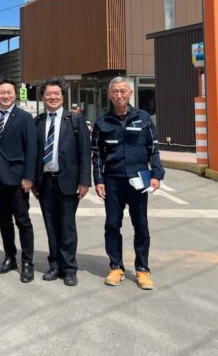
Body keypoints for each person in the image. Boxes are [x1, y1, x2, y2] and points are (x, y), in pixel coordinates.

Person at [92, 76, 164, 290]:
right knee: (112, 224)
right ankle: (116, 267)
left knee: (141, 225)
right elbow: (97, 154)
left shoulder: (143, 118)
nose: (119, 95)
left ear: (130, 93)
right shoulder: (102, 122)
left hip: (139, 179)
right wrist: (98, 180)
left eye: (123, 91)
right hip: (113, 181)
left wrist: (156, 174)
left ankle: (142, 269)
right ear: (109, 94)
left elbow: (154, 148)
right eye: (115, 91)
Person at [34, 78, 91, 287]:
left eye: (56, 94)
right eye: (48, 94)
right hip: (45, 182)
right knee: (51, 226)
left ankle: (69, 269)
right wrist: (34, 182)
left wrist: (84, 181)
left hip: (68, 181)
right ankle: (54, 265)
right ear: (42, 97)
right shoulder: (38, 121)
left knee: (67, 226)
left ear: (63, 97)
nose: (53, 97)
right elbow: (34, 153)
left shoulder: (75, 120)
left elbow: (85, 152)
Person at [0, 78, 37, 283]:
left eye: (9, 92)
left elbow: (31, 148)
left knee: (22, 221)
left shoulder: (24, 118)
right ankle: (10, 258)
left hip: (18, 178)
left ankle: (27, 262)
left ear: (15, 95)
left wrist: (29, 177)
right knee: (3, 220)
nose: (5, 96)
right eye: (2, 92)